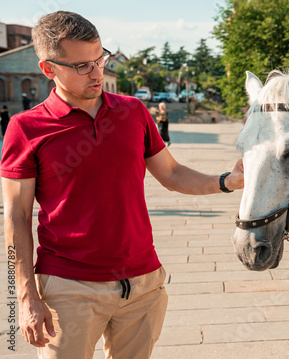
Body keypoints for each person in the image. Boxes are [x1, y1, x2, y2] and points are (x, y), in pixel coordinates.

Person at [1, 11, 243, 359]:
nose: (97, 72)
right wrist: (25, 298)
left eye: (100, 58)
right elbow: (16, 217)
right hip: (70, 287)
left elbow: (172, 174)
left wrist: (228, 181)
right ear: (48, 69)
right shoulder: (26, 128)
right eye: (82, 66)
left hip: (143, 282)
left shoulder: (133, 112)